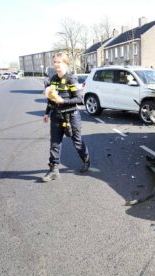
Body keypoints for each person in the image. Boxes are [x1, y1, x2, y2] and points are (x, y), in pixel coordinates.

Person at [42, 52, 90, 182]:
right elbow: (52, 99)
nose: (56, 65)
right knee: (54, 143)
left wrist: (63, 101)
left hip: (71, 117)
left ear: (66, 64)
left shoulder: (71, 79)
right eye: (55, 63)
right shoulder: (53, 79)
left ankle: (86, 160)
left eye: (59, 62)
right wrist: (47, 113)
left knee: (77, 142)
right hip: (56, 116)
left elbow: (80, 99)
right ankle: (53, 170)